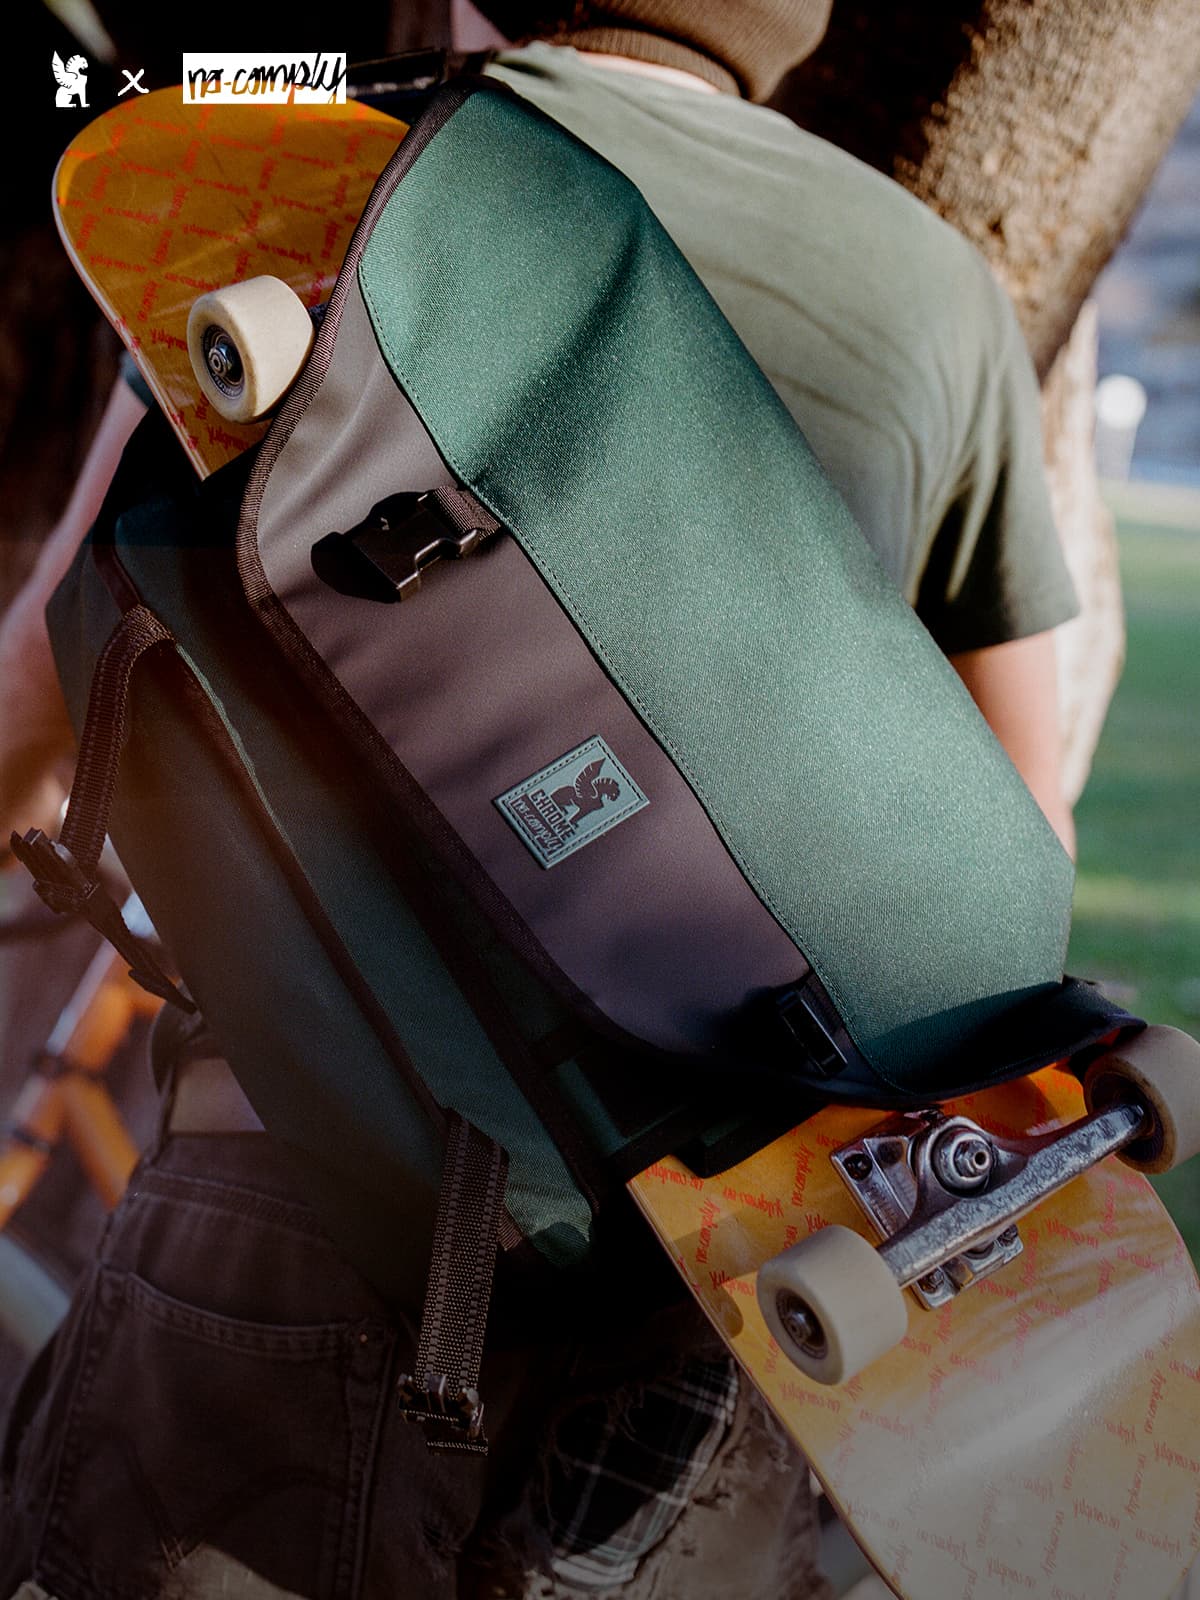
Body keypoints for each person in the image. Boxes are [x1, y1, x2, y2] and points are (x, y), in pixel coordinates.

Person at [0, 4, 1080, 1597]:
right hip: (724, 1275)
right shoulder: (938, 288)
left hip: (295, 1188)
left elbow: (53, 671)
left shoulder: (301, 173)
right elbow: (1028, 832)